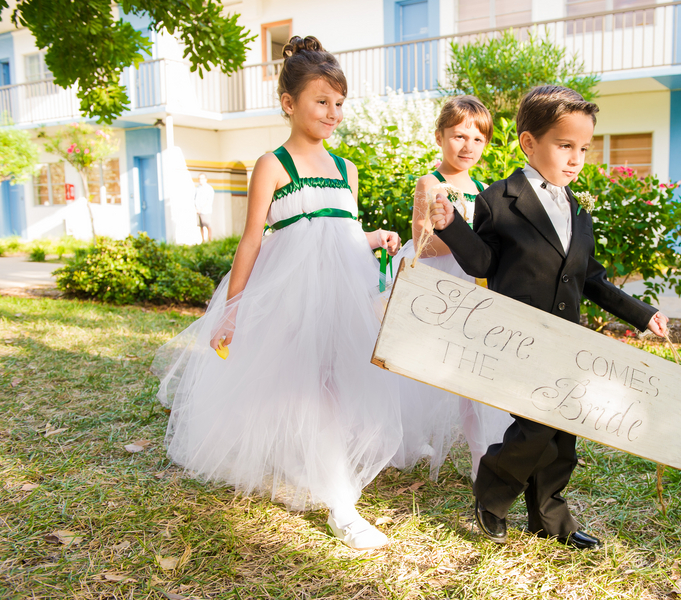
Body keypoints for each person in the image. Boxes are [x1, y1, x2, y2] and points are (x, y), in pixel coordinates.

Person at [152, 35, 402, 551]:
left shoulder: (346, 169)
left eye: (339, 103)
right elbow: (252, 240)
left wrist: (373, 238)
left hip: (340, 293)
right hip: (291, 293)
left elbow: (343, 234)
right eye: (321, 101)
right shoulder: (272, 165)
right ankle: (341, 506)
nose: (332, 113)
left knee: (335, 383)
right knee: (302, 386)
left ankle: (326, 479)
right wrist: (233, 307)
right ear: (289, 103)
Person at [429, 85, 670, 549]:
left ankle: (550, 518)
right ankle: (492, 492)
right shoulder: (500, 200)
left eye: (583, 148)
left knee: (563, 437)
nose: (576, 158)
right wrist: (450, 226)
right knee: (536, 427)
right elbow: (482, 263)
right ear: (529, 143)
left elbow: (592, 280)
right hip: (518, 337)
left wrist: (644, 314)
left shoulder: (578, 210)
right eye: (565, 146)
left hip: (566, 342)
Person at [390, 96, 513, 481]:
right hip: (437, 285)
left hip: (475, 287)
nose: (468, 147)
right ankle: (404, 439)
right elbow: (423, 244)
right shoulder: (431, 183)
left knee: (474, 379)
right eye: (459, 136)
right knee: (420, 371)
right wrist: (463, 233)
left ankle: (483, 460)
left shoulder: (487, 189)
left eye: (478, 139)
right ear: (441, 136)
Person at [194, 174, 215, 241]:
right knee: (201, 226)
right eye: (199, 179)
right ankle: (203, 240)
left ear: (206, 179)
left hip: (206, 211)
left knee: (208, 225)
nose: (200, 180)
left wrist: (201, 208)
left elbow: (209, 200)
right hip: (198, 211)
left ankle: (210, 240)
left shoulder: (209, 188)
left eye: (202, 179)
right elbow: (195, 199)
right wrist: (196, 208)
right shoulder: (197, 188)